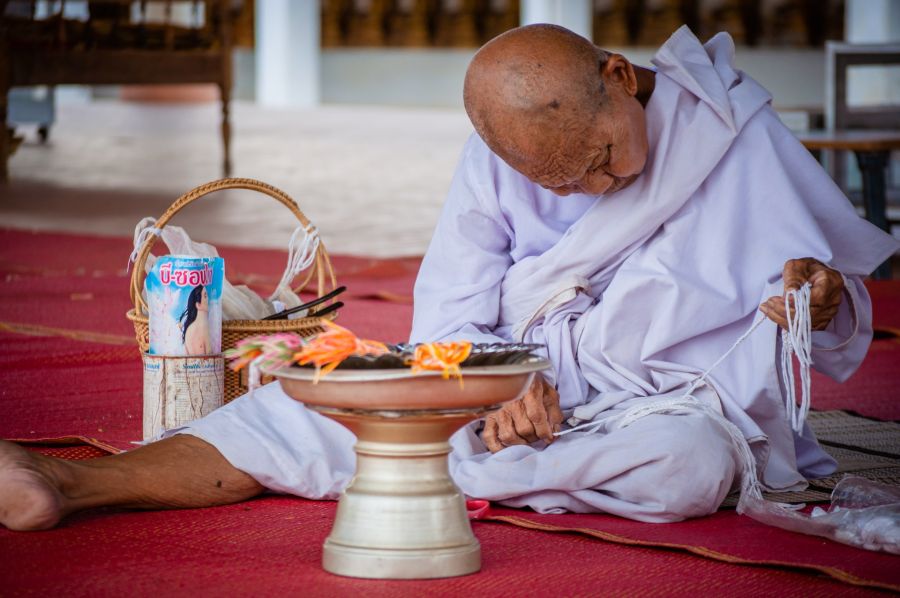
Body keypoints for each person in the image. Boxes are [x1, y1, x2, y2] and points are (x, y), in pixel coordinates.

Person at [1, 25, 897, 531]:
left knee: (690, 470)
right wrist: (503, 389)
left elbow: (838, 307)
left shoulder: (737, 134)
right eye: (560, 181)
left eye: (600, 160)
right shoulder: (498, 158)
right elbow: (453, 319)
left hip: (673, 409)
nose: (593, 189)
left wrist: (819, 296)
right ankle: (65, 483)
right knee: (306, 402)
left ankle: (420, 465)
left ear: (620, 79)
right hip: (514, 400)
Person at [180, 285, 212, 356]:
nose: (208, 299)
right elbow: (210, 357)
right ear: (198, 305)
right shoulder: (203, 327)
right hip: (205, 367)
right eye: (205, 296)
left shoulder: (188, 329)